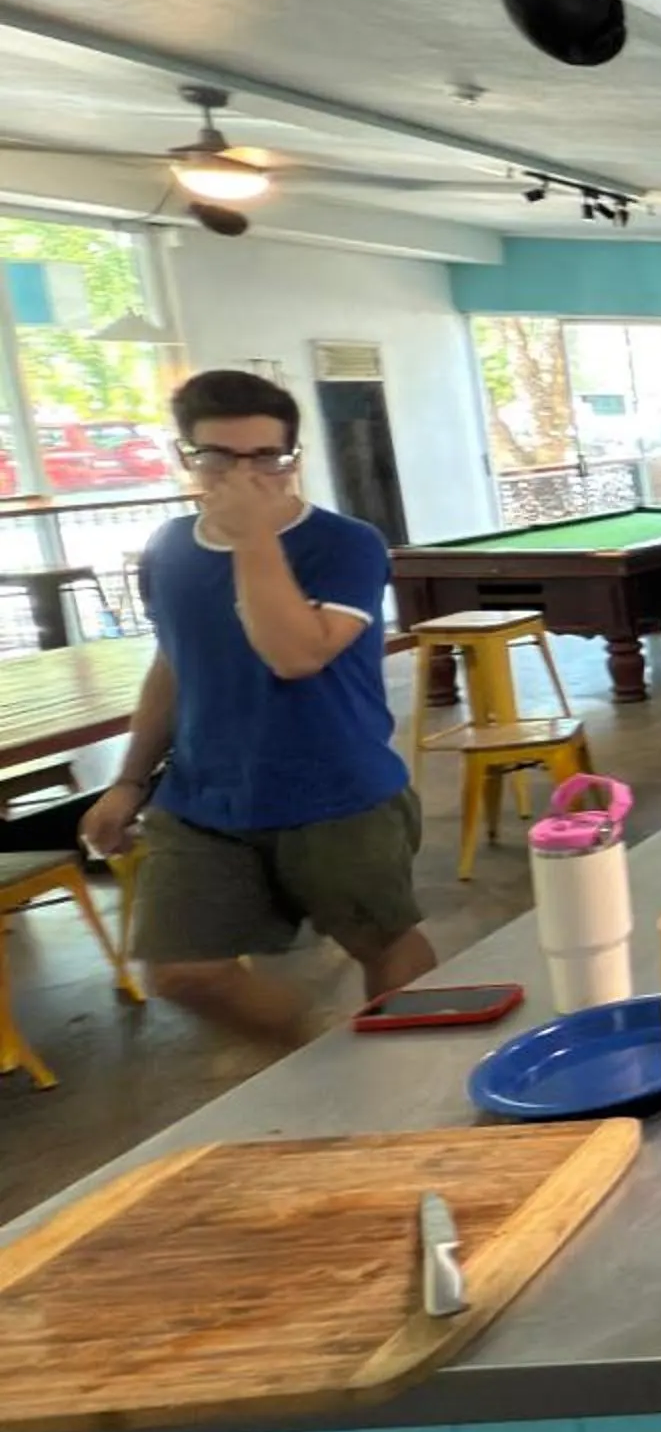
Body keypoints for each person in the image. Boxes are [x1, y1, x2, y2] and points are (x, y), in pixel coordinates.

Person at [79, 370, 433, 1036]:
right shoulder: (168, 548)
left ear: (292, 459)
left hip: (336, 792)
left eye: (266, 458)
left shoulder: (345, 544)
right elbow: (173, 661)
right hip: (203, 798)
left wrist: (253, 540)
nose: (244, 478)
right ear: (185, 458)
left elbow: (295, 654)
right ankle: (324, 1064)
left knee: (383, 943)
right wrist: (129, 780)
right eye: (218, 458)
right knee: (183, 971)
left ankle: (409, 1065)